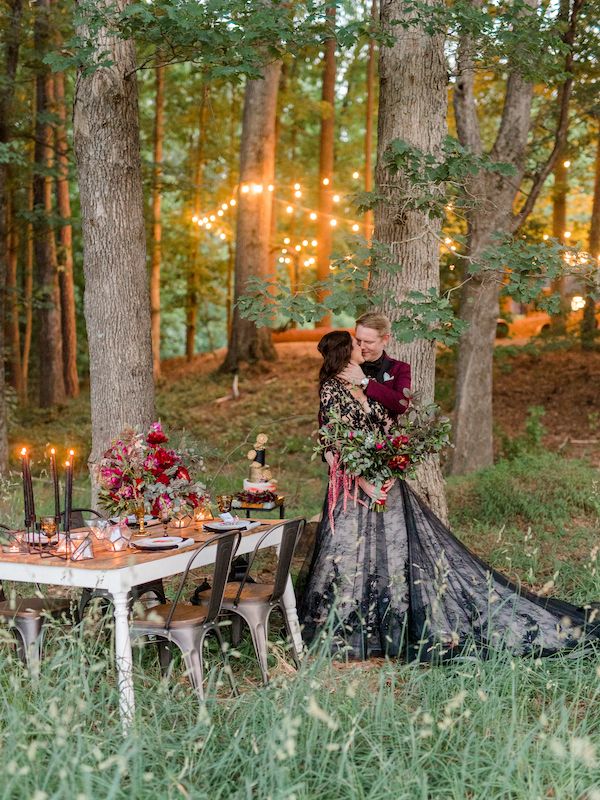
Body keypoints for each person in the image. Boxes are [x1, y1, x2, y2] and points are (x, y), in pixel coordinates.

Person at [299, 330, 600, 661]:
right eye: (356, 344)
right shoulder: (330, 390)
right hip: (353, 489)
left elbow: (389, 425)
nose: (362, 347)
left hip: (386, 483)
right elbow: (335, 441)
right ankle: (354, 627)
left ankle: (393, 621)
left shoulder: (365, 381)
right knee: (350, 556)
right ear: (345, 351)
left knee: (396, 556)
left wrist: (391, 463)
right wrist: (364, 481)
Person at [339, 312, 411, 417]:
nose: (362, 347)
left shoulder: (400, 368)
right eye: (358, 340)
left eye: (368, 342)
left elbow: (401, 405)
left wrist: (365, 382)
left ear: (385, 339)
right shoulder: (344, 365)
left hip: (386, 432)